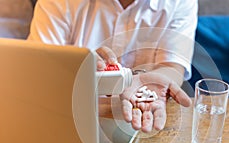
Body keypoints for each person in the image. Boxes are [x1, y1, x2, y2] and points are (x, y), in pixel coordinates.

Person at [28, 0, 198, 133]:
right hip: (65, 119)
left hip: (139, 130)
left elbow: (173, 67)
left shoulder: (180, 2)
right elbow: (35, 71)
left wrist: (148, 79)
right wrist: (76, 69)